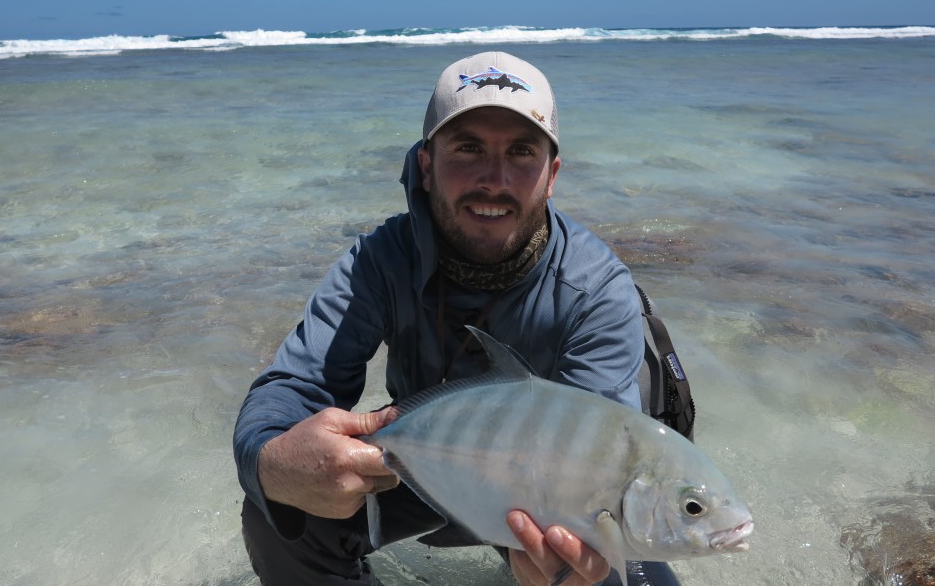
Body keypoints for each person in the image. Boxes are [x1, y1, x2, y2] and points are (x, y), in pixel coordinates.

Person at [234, 51, 679, 586]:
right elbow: (289, 390)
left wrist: (566, 558)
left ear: (551, 174)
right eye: (468, 148)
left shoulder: (597, 289)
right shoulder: (379, 261)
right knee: (279, 511)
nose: (494, 180)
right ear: (427, 165)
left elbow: (607, 453)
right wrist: (270, 459)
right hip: (424, 466)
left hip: (552, 498)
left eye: (521, 152)